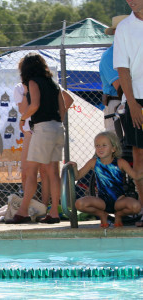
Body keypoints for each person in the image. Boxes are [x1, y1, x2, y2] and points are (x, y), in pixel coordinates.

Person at [7, 53, 66, 224]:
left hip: (43, 128)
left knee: (31, 171)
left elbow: (35, 105)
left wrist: (24, 118)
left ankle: (23, 211)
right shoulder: (53, 83)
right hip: (57, 127)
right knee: (53, 172)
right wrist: (56, 121)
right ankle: (54, 212)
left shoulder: (33, 82)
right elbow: (62, 107)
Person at [69, 132, 142, 227]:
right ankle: (102, 214)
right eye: (97, 146)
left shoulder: (120, 162)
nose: (100, 148)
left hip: (119, 201)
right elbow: (77, 177)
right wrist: (74, 167)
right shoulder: (93, 162)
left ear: (113, 148)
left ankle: (118, 215)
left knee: (136, 207)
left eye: (104, 145)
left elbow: (135, 176)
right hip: (102, 202)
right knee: (79, 204)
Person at [113, 0, 143, 227]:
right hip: (136, 100)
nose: (131, 0)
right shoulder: (124, 27)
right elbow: (122, 68)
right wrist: (132, 103)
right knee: (140, 158)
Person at [100, 16, 128, 132]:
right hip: (117, 104)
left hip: (133, 104)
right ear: (116, 33)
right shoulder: (109, 56)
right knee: (118, 147)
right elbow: (122, 88)